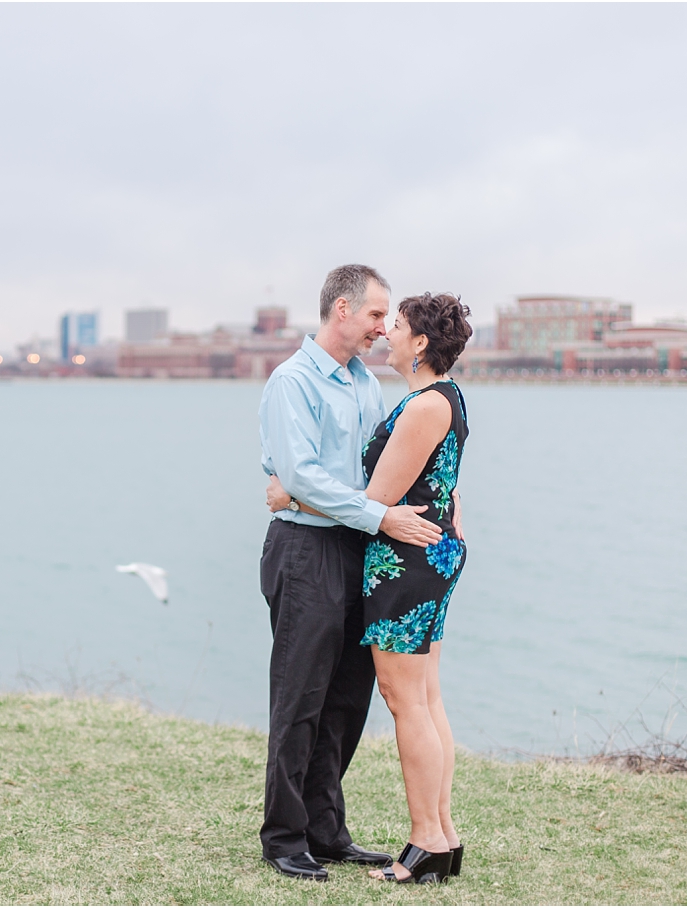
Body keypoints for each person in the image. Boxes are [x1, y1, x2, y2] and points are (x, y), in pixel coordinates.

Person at [270, 292, 473, 885]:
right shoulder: (440, 397)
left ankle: (428, 841)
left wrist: (292, 495)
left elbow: (377, 500)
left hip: (403, 563)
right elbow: (441, 484)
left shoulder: (422, 406)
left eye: (398, 325)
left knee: (407, 702)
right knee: (426, 700)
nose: (387, 332)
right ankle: (441, 836)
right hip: (422, 554)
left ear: (420, 344)